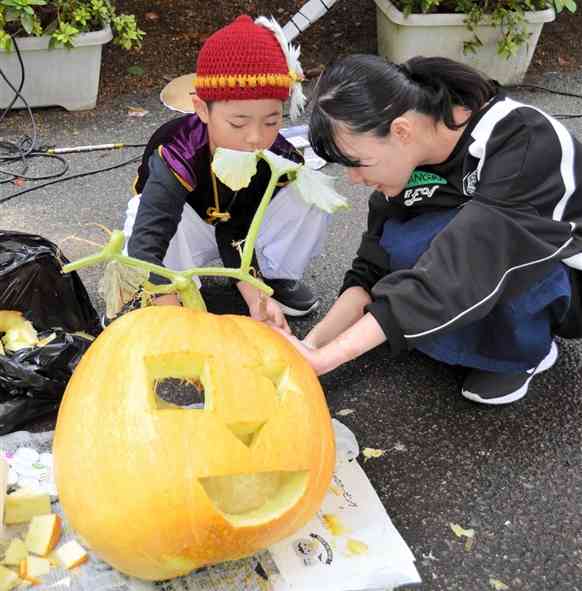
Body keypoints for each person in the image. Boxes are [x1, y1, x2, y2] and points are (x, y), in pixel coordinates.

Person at [280, 54, 582, 405]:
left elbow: (463, 264)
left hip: (567, 280)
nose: (353, 179)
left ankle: (524, 350)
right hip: (481, 259)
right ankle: (472, 336)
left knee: (448, 248)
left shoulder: (522, 140)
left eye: (357, 163)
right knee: (402, 241)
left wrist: (326, 361)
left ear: (401, 131)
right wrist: (311, 345)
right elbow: (371, 268)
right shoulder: (408, 163)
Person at [121, 15, 330, 331]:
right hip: (183, 231)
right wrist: (164, 298)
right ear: (202, 109)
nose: (255, 138)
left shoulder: (276, 154)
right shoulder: (177, 149)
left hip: (235, 229)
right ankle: (166, 290)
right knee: (143, 219)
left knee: (309, 191)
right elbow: (146, 239)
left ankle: (272, 277)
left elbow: (237, 229)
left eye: (271, 121)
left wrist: (255, 295)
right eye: (238, 123)